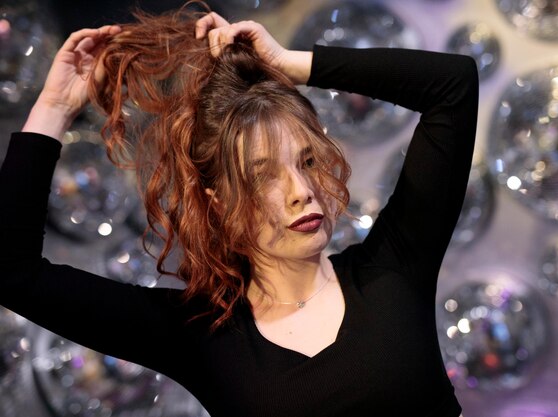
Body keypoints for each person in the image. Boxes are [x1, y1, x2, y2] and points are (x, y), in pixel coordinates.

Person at [0, 2, 478, 416]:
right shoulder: (202, 335)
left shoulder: (392, 267)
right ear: (220, 201)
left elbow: (452, 86)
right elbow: (12, 271)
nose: (301, 190)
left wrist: (291, 64)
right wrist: (57, 106)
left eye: (306, 161)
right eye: (264, 174)